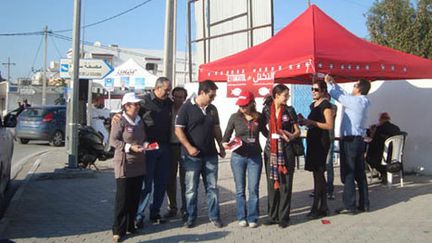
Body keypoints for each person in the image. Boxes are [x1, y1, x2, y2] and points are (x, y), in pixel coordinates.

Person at [175, 80, 226, 228]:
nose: (213, 98)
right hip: (191, 156)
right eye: (211, 95)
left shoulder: (212, 109)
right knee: (191, 188)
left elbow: (216, 128)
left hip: (210, 155)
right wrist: (189, 147)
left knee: (212, 188)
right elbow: (178, 130)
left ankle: (214, 216)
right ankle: (191, 217)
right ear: (202, 92)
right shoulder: (186, 108)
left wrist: (221, 146)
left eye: (214, 96)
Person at [325, 74, 371, 214]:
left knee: (349, 173)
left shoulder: (355, 102)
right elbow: (345, 94)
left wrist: (328, 83)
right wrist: (335, 83)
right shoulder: (362, 101)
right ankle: (364, 204)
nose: (352, 87)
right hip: (357, 140)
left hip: (351, 141)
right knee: (360, 173)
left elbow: (337, 95)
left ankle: (349, 205)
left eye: (355, 85)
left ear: (359, 89)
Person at [222, 90, 268, 228]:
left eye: (245, 105)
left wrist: (278, 135)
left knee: (253, 188)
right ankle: (241, 216)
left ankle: (253, 217)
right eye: (240, 105)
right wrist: (225, 144)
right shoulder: (234, 117)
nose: (242, 108)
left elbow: (266, 133)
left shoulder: (259, 117)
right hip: (238, 157)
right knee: (240, 189)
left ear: (252, 103)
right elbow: (225, 137)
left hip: (254, 157)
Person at [135, 77, 173, 227]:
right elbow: (127, 113)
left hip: (165, 147)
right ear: (157, 88)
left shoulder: (169, 104)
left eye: (169, 90)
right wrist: (117, 117)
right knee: (147, 184)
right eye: (166, 90)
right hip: (149, 147)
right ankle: (139, 215)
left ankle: (155, 212)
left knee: (161, 182)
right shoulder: (143, 102)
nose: (168, 93)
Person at [261, 84, 301, 228]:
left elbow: (298, 131)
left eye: (288, 95)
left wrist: (290, 136)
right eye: (285, 95)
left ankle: (283, 217)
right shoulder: (266, 110)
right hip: (270, 151)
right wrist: (270, 138)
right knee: (272, 184)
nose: (288, 97)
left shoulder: (290, 110)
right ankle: (272, 216)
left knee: (285, 184)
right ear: (276, 96)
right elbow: (262, 127)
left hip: (286, 151)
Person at [110, 92, 146, 243]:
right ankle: (118, 229)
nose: (137, 107)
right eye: (134, 104)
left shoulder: (139, 120)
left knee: (134, 197)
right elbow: (113, 141)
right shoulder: (120, 120)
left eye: (138, 104)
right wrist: (129, 147)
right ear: (126, 106)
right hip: (124, 164)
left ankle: (130, 225)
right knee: (122, 199)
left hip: (139, 163)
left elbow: (143, 137)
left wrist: (145, 145)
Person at [301, 81, 334, 219]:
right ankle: (323, 206)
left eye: (316, 89)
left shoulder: (326, 105)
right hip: (313, 140)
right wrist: (304, 122)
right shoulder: (313, 105)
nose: (313, 91)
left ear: (323, 91)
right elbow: (312, 123)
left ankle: (316, 207)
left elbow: (329, 125)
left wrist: (312, 123)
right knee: (317, 173)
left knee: (319, 173)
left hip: (321, 142)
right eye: (312, 89)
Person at [164, 87, 188, 219]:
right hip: (171, 147)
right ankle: (172, 207)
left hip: (184, 147)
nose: (178, 99)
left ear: (185, 98)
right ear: (173, 97)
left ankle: (185, 208)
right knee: (170, 179)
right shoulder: (168, 108)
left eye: (181, 97)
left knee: (185, 180)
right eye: (176, 97)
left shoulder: (187, 109)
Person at [366, 112, 401, 182]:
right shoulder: (396, 128)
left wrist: (372, 133)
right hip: (395, 156)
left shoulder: (380, 129)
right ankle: (381, 173)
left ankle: (383, 172)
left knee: (369, 158)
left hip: (383, 156)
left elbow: (374, 142)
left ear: (381, 120)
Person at [325, 94, 337, 200]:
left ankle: (330, 189)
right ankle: (319, 189)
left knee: (329, 164)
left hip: (329, 138)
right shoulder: (314, 105)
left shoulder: (332, 107)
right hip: (319, 139)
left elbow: (329, 118)